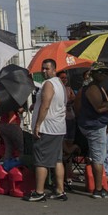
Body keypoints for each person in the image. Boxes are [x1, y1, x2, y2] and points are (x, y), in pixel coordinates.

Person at [76, 62, 108, 199]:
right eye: (101, 72)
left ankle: (98, 186)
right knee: (98, 158)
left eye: (106, 72)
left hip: (92, 125)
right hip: (94, 126)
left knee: (99, 157)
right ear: (94, 73)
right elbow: (100, 108)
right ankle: (98, 189)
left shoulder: (96, 87)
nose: (104, 74)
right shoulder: (92, 89)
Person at [26, 58, 68, 202]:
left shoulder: (49, 84)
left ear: (54, 69)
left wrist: (38, 125)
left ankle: (39, 192)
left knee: (41, 161)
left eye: (47, 68)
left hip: (48, 128)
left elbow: (46, 105)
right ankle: (59, 190)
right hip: (58, 127)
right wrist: (35, 106)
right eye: (43, 68)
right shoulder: (60, 84)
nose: (44, 71)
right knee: (57, 160)